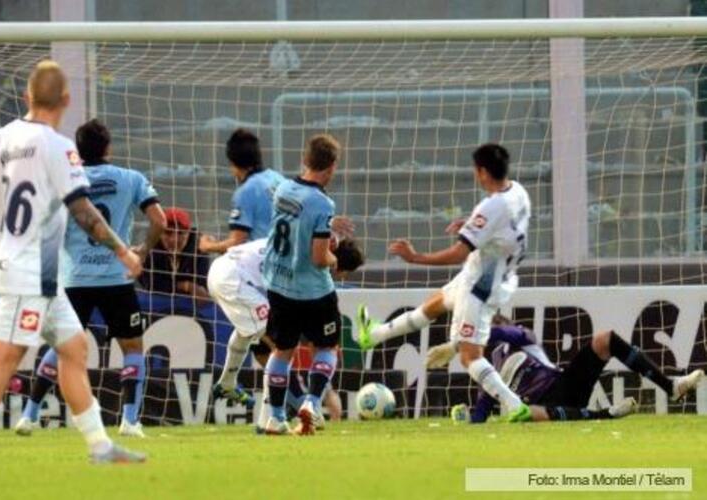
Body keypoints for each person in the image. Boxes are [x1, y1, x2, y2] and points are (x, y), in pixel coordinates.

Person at [0, 60, 145, 465]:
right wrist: (123, 250)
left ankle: (100, 447)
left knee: (73, 348)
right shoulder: (58, 147)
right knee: (5, 357)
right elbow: (83, 211)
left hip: (42, 274)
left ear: (26, 97)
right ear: (66, 100)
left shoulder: (0, 138)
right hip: (30, 273)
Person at [356, 144, 534, 422]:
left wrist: (415, 258)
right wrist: (473, 225)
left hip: (479, 287)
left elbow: (458, 253)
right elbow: (503, 228)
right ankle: (374, 335)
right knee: (434, 305)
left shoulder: (491, 206)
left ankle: (514, 405)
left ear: (483, 172)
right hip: (494, 275)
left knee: (469, 356)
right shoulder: (518, 192)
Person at [15, 119, 166, 438]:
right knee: (133, 347)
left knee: (61, 346)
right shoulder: (131, 178)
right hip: (117, 277)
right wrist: (143, 251)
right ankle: (129, 421)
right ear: (108, 147)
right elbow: (159, 220)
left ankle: (28, 415)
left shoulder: (65, 182)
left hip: (75, 280)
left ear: (77, 150)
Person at [207, 235, 364, 426]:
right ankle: (275, 417)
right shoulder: (309, 263)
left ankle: (227, 383)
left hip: (226, 271)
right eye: (343, 273)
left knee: (254, 335)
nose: (341, 277)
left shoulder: (300, 242)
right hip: (233, 278)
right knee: (279, 346)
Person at [429, 316, 705, 423]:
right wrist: (465, 419)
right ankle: (606, 415)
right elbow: (482, 413)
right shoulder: (485, 371)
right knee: (523, 413)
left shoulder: (523, 337)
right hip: (540, 408)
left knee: (604, 338)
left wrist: (456, 345)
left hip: (564, 385)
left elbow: (503, 332)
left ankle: (671, 386)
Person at [261, 133, 344, 435]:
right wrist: (337, 257)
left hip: (278, 284)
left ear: (305, 160)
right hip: (312, 291)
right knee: (327, 347)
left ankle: (275, 418)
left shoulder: (282, 188)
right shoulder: (322, 203)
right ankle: (310, 403)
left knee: (282, 351)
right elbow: (320, 258)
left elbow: (292, 225)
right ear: (332, 166)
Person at [198, 129, 285, 253]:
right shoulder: (279, 179)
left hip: (262, 263)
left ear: (234, 163)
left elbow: (236, 243)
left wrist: (208, 246)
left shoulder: (246, 191)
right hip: (287, 260)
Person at [139, 207, 210, 305]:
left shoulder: (199, 249)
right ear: (159, 234)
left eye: (181, 233)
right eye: (168, 233)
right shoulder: (151, 247)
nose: (174, 240)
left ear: (189, 233)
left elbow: (202, 286)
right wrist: (187, 286)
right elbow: (149, 283)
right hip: (157, 304)